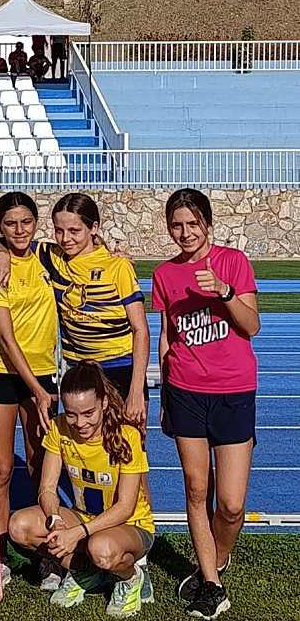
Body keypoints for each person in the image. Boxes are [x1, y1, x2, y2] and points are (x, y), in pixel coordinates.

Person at [153, 189, 259, 620]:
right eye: (177, 225)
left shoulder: (233, 262)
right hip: (185, 390)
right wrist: (162, 392)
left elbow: (251, 326)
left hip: (233, 391)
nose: (185, 233)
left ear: (208, 225)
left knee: (231, 504)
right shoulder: (164, 275)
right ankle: (211, 584)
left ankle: (217, 558)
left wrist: (224, 291)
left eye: (193, 224)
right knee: (197, 490)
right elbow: (166, 335)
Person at [9, 361, 155, 619]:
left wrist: (75, 533)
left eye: (89, 413)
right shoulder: (58, 427)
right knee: (19, 526)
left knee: (101, 548)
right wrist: (55, 522)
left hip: (130, 525)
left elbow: (125, 508)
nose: (80, 423)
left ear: (104, 404)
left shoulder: (127, 435)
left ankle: (131, 578)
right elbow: (47, 488)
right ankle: (86, 573)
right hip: (81, 517)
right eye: (72, 413)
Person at [0, 192, 151, 421]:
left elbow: (141, 330)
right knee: (83, 450)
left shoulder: (118, 266)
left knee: (125, 450)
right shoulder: (51, 256)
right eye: (58, 230)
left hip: (120, 368)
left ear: (94, 228)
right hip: (78, 370)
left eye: (74, 231)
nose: (65, 239)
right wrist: (2, 255)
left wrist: (135, 391)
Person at [0, 192, 60, 586]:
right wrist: (37, 391)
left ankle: (45, 553)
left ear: (36, 223)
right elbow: (6, 341)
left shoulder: (48, 256)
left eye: (25, 222)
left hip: (43, 375)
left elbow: (87, 246)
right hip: (2, 375)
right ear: (0, 227)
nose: (19, 230)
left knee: (38, 465)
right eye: (10, 224)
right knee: (1, 470)